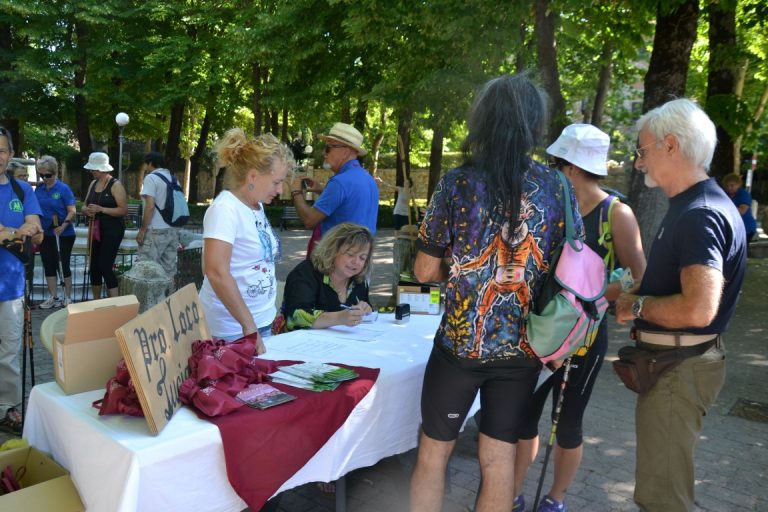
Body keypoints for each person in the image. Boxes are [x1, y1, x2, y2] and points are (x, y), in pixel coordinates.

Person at [409, 74, 580, 512]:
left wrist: (460, 266)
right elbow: (570, 268)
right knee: (499, 457)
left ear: (482, 122)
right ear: (534, 126)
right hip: (523, 351)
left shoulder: (458, 183)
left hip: (459, 348)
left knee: (433, 453)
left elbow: (425, 270)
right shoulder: (558, 188)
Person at [615, 98, 747, 512]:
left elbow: (697, 309)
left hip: (678, 370)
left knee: (663, 499)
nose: (639, 163)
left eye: (642, 150)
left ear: (670, 145)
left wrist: (633, 307)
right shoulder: (697, 205)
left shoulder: (699, 214)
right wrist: (640, 290)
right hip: (679, 365)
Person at [512, 124, 647, 512]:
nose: (551, 171)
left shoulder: (616, 214)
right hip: (540, 333)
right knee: (525, 418)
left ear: (571, 167)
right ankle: (515, 491)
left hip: (585, 338)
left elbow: (639, 275)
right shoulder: (550, 209)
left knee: (568, 423)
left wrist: (594, 298)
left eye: (556, 164)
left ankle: (556, 499)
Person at [199, 129, 293, 350]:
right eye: (276, 182)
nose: (280, 190)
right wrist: (249, 327)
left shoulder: (255, 206)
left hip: (258, 323)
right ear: (253, 176)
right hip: (233, 331)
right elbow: (215, 272)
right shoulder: (225, 209)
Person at [0, 126, 43, 434]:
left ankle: (7, 408)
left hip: (12, 285)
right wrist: (15, 233)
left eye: (1, 150)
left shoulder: (22, 191)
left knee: (9, 351)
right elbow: (20, 232)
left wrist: (10, 233)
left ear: (10, 155)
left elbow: (36, 227)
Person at [288, 122, 378, 256]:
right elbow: (350, 209)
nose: (324, 152)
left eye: (329, 147)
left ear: (346, 151)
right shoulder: (368, 179)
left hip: (337, 264)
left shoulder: (340, 182)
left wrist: (296, 192)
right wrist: (322, 191)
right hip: (360, 261)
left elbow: (309, 221)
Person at [282, 222, 374, 331]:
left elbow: (367, 312)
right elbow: (296, 317)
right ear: (332, 250)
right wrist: (339, 318)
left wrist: (365, 309)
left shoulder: (359, 280)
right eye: (350, 254)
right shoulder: (306, 272)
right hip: (300, 344)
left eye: (362, 258)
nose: (356, 262)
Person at [81, 152, 127, 299]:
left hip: (112, 230)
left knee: (105, 266)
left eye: (93, 169)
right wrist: (85, 210)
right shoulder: (93, 183)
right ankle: (97, 302)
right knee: (94, 267)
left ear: (100, 169)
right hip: (95, 229)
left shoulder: (116, 185)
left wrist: (102, 209)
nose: (91, 171)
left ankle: (115, 303)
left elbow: (123, 210)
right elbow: (84, 205)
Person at [34, 155, 77, 308]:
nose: (45, 178)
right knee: (49, 264)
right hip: (45, 233)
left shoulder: (63, 189)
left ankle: (68, 297)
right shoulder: (39, 188)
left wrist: (64, 225)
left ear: (55, 173)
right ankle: (54, 297)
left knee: (63, 263)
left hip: (63, 233)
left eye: (48, 175)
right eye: (41, 175)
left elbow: (72, 211)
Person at [136, 152, 182, 275]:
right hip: (172, 230)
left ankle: (146, 296)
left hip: (155, 231)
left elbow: (150, 206)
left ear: (150, 163)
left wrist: (142, 230)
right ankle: (169, 294)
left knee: (146, 269)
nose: (145, 167)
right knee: (168, 271)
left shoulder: (151, 178)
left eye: (145, 164)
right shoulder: (174, 179)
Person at [722, 173, 757, 243]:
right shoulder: (726, 194)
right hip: (733, 228)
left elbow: (742, 211)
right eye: (727, 186)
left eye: (732, 185)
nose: (729, 188)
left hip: (746, 228)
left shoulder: (743, 194)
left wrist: (725, 207)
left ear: (738, 185)